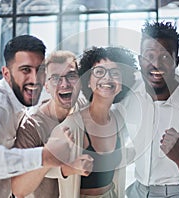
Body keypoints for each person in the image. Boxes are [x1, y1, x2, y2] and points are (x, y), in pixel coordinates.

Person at [0, 35, 73, 197]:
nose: (34, 79)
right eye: (25, 70)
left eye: (39, 70)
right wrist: (44, 155)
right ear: (6, 73)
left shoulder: (21, 100)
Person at [124, 21, 179, 197]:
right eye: (149, 56)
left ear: (176, 61)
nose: (156, 64)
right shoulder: (130, 95)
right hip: (137, 191)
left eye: (165, 57)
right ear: (141, 61)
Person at [49, 46, 137, 198]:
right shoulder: (72, 126)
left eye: (115, 73)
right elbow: (45, 168)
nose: (107, 78)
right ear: (88, 80)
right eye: (99, 72)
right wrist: (69, 168)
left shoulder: (119, 120)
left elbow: (124, 156)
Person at [11, 50, 93, 198]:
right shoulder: (31, 126)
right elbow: (18, 189)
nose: (65, 84)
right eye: (55, 78)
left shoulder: (83, 107)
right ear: (46, 86)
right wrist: (49, 153)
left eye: (71, 76)